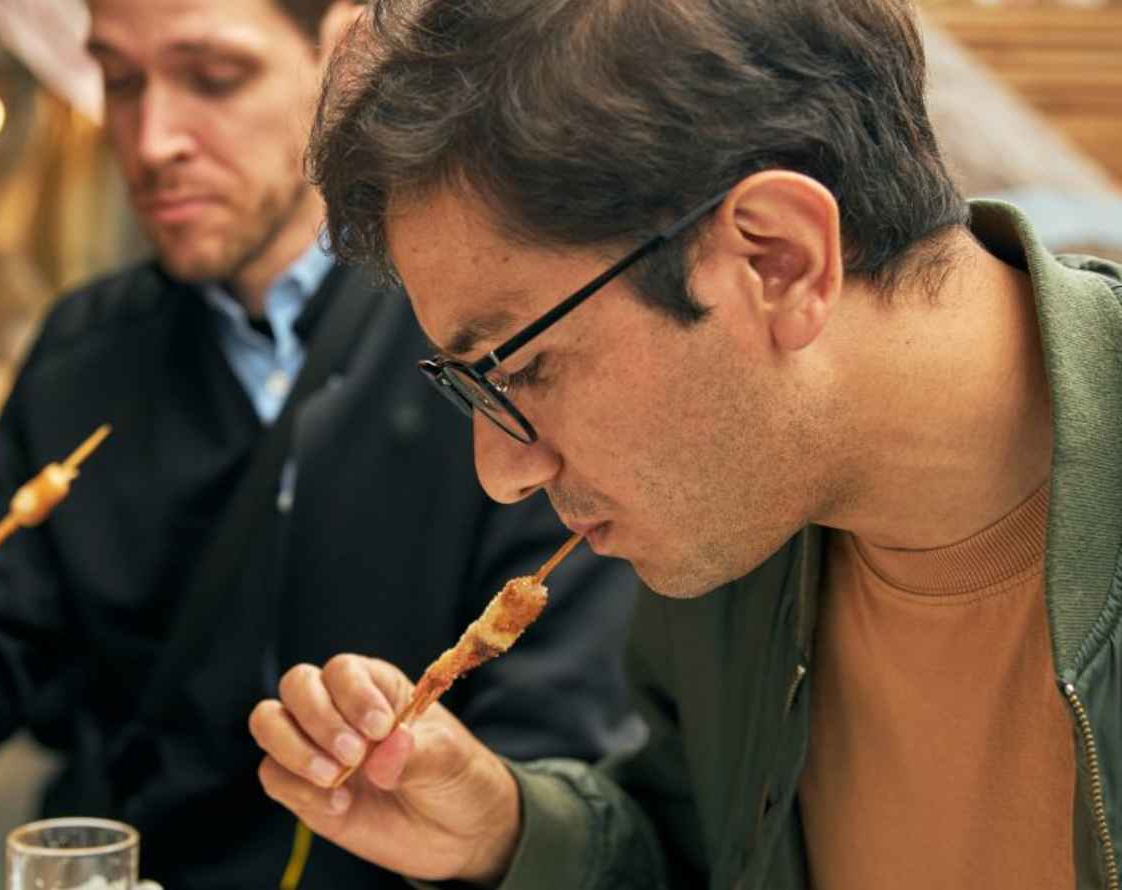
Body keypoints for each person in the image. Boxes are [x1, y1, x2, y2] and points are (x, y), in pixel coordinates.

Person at [249, 1, 1122, 889]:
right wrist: (511, 834)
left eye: (524, 366)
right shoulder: (739, 508)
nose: (502, 472)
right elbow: (700, 853)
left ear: (776, 259)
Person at [0, 1, 638, 888]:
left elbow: (571, 752)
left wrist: (487, 817)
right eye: (120, 82)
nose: (152, 141)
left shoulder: (489, 346)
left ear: (342, 59)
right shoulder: (84, 357)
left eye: (215, 78)